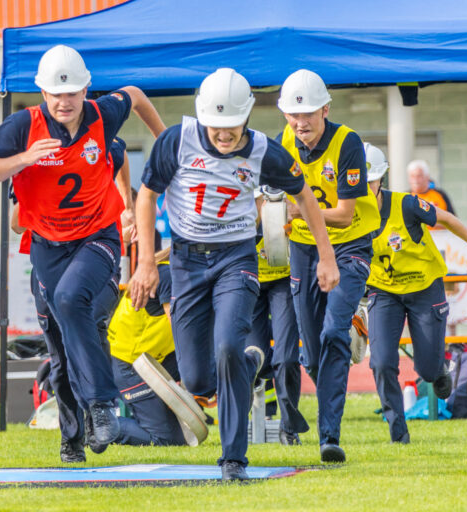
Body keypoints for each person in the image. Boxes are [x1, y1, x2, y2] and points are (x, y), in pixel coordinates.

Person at [131, 68, 339, 480]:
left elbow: (305, 198)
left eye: (232, 126)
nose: (223, 135)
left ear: (246, 116)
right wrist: (146, 261)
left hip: (236, 260)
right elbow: (147, 194)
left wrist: (327, 256)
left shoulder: (265, 150)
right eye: (216, 126)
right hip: (188, 262)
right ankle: (249, 362)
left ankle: (232, 459)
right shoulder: (178, 140)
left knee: (227, 345)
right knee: (195, 379)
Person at [0, 44, 166, 453]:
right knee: (60, 351)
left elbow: (135, 95)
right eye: (57, 94)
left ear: (86, 91)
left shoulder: (102, 119)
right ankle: (74, 438)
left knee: (72, 299)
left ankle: (101, 407)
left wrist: (163, 141)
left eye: (73, 92)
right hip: (47, 245)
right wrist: (24, 158)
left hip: (97, 237)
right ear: (43, 93)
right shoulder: (22, 126)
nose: (65, 101)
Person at [276, 69, 380, 463]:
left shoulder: (346, 142)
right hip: (303, 250)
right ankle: (325, 395)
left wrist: (294, 210)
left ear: (326, 109)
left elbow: (342, 213)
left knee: (334, 331)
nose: (300, 123)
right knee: (313, 351)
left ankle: (328, 438)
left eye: (308, 114)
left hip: (349, 244)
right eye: (293, 114)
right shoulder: (282, 141)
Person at [364, 143, 467, 443]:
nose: (364, 187)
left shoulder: (407, 205)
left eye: (370, 180)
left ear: (380, 179)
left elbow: (448, 219)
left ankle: (438, 371)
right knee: (382, 362)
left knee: (425, 367)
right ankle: (398, 431)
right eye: (359, 180)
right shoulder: (349, 213)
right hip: (384, 293)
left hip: (425, 289)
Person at [11, 137, 130, 463]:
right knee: (61, 360)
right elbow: (14, 222)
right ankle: (72, 438)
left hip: (96, 262)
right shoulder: (35, 158)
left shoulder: (98, 145)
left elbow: (119, 154)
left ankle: (99, 406)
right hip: (48, 271)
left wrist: (127, 204)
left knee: (91, 325)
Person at [107, 247, 186, 447]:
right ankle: (96, 424)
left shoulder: (176, 272)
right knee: (167, 439)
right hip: (129, 364)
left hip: (153, 359)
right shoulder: (167, 275)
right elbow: (182, 331)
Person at [246, 186, 307, 446]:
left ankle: (288, 426)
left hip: (282, 281)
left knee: (286, 357)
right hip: (250, 283)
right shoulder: (241, 214)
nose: (268, 205)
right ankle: (246, 423)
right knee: (253, 356)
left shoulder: (287, 209)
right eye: (263, 200)